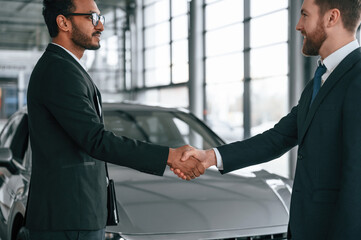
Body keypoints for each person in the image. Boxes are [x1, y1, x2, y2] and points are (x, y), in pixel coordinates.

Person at [176, 0, 361, 239]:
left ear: (331, 18)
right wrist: (210, 157)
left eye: (305, 15)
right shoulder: (321, 80)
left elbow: (357, 178)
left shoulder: (356, 78)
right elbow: (277, 138)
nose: (298, 25)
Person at [25, 0, 204, 239]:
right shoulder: (59, 71)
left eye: (101, 18)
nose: (100, 27)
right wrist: (170, 156)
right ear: (63, 22)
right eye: (92, 17)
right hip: (69, 218)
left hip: (74, 214)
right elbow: (96, 140)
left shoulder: (67, 67)